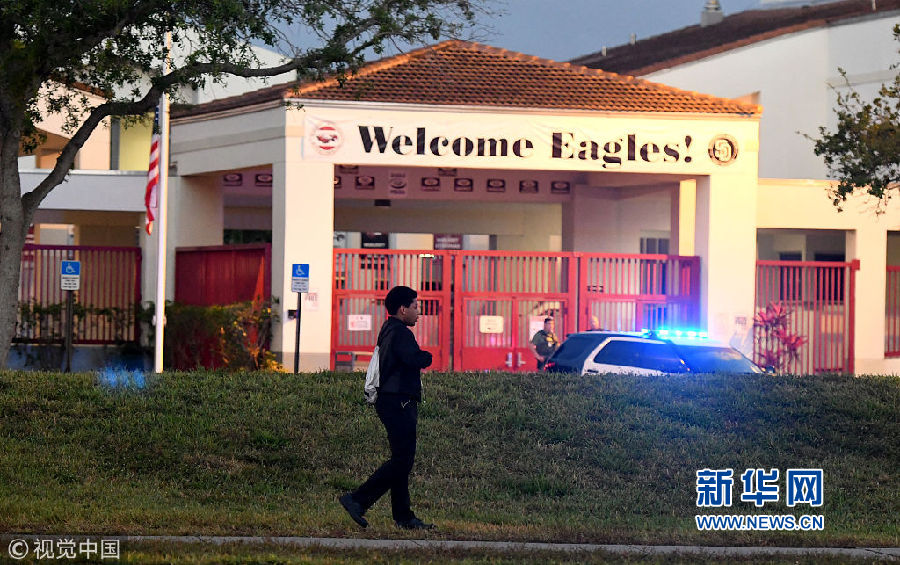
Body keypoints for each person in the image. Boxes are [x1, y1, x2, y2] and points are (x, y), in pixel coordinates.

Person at [339, 285, 435, 530]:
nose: (419, 312)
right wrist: (427, 357)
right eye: (415, 307)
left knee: (401, 459)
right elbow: (413, 359)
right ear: (403, 309)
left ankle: (403, 517)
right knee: (403, 460)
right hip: (398, 401)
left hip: (390, 401)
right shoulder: (401, 333)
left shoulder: (388, 329)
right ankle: (358, 499)